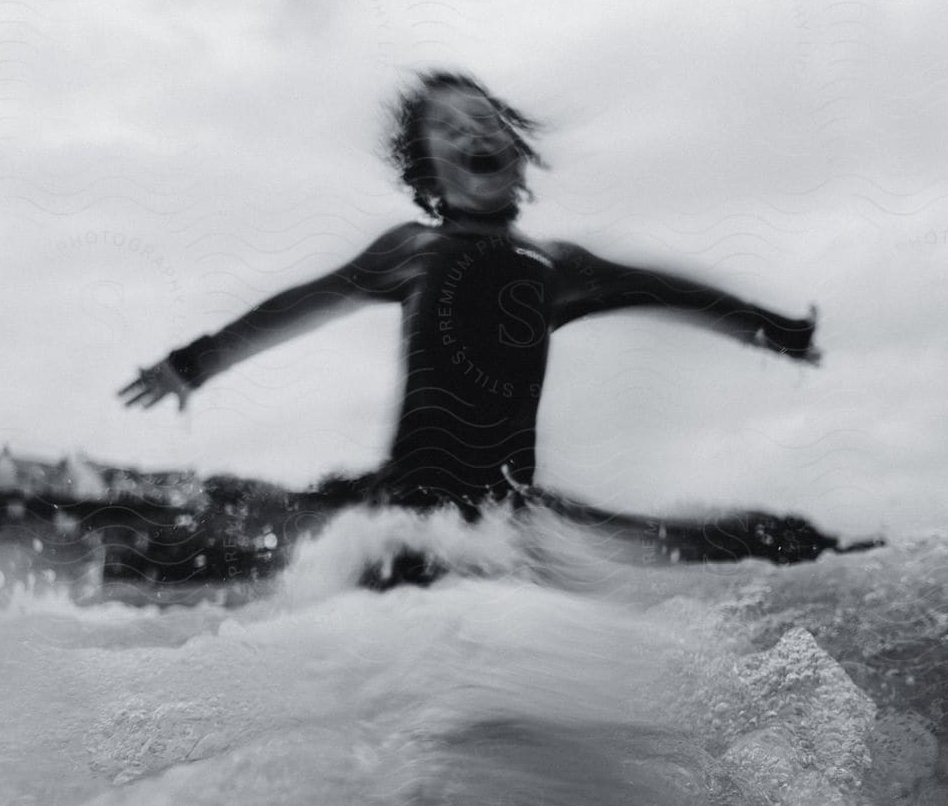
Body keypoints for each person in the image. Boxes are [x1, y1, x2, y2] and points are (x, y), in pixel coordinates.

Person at [120, 70, 820, 523]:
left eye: (487, 119)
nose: (475, 130)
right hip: (410, 515)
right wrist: (196, 361)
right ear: (430, 170)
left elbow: (670, 292)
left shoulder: (557, 267)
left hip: (505, 522)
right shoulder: (410, 251)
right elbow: (304, 301)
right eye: (450, 128)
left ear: (517, 152)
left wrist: (770, 328)